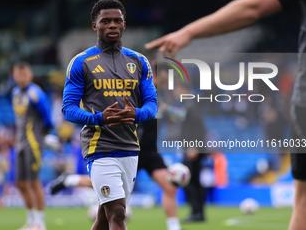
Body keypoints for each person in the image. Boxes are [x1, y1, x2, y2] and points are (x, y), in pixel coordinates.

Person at [146, 0, 306, 229]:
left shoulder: (189, 103)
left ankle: (197, 213)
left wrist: (188, 32)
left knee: (304, 201)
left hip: (194, 145)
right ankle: (194, 213)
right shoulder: (176, 102)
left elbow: (253, 7)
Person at [62, 0, 157, 230]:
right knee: (118, 213)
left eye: (118, 21)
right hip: (99, 147)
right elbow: (68, 109)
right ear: (95, 25)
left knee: (105, 218)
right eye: (106, 21)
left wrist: (136, 114)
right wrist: (99, 118)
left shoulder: (139, 61)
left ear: (124, 24)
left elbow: (152, 105)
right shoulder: (81, 62)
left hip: (130, 147)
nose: (112, 25)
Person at [51, 68, 181, 230]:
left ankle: (174, 226)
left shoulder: (159, 98)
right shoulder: (137, 92)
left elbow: (174, 117)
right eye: (165, 76)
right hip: (131, 149)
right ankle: (70, 180)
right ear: (155, 75)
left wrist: (173, 113)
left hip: (151, 152)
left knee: (169, 185)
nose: (167, 80)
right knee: (107, 184)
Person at [12, 62, 52, 230]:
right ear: (14, 76)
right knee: (20, 183)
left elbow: (48, 120)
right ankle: (31, 220)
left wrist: (44, 138)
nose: (21, 78)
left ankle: (40, 223)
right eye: (18, 75)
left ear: (30, 75)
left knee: (34, 181)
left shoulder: (36, 94)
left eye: (24, 75)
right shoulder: (14, 93)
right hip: (19, 143)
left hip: (33, 143)